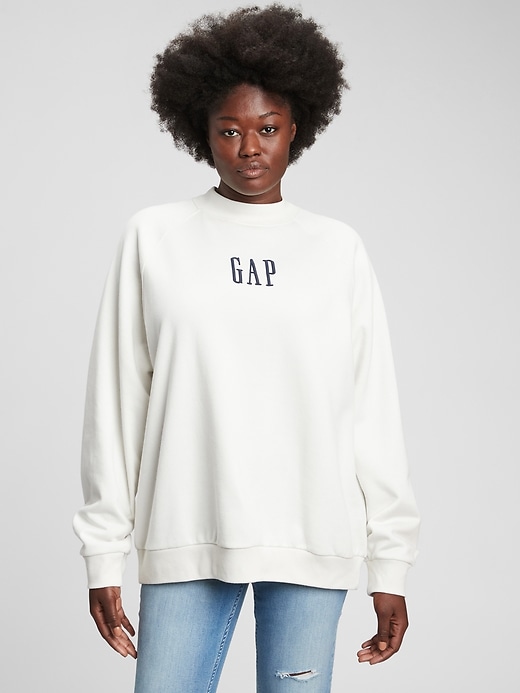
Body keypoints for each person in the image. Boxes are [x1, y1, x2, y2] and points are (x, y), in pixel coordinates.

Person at [73, 4, 420, 692]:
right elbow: (116, 406)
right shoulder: (155, 238)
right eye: (229, 130)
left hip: (312, 538)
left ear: (297, 129)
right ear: (202, 133)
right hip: (187, 531)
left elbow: (371, 413)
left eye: (268, 128)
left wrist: (391, 563)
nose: (250, 148)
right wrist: (103, 553)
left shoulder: (337, 249)